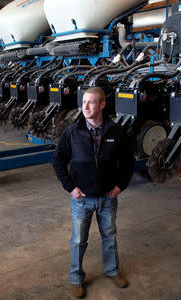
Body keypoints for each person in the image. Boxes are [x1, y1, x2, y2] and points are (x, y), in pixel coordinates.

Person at [52, 86, 135, 298]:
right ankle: (76, 278)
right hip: (82, 200)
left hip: (107, 198)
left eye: (91, 102)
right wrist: (70, 187)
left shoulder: (116, 131)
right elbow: (58, 160)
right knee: (79, 241)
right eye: (84, 102)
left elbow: (128, 162)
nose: (86, 107)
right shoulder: (73, 131)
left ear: (102, 105)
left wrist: (120, 186)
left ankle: (112, 271)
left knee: (109, 236)